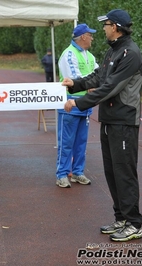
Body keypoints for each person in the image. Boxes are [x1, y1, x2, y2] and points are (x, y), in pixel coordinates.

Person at [63, 9, 142, 242]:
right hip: (109, 120)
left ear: (116, 27)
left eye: (106, 24)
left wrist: (77, 102)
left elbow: (110, 87)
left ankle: (134, 223)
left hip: (124, 122)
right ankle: (121, 218)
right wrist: (74, 83)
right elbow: (98, 77)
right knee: (112, 172)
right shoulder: (113, 51)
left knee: (124, 173)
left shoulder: (131, 53)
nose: (104, 29)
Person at [55, 23, 98, 188]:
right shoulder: (69, 54)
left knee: (81, 142)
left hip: (85, 105)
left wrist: (94, 85)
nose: (92, 38)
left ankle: (77, 172)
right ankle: (61, 174)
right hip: (70, 104)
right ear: (83, 37)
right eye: (91, 35)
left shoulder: (90, 56)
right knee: (66, 142)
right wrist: (93, 86)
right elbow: (75, 78)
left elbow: (97, 73)